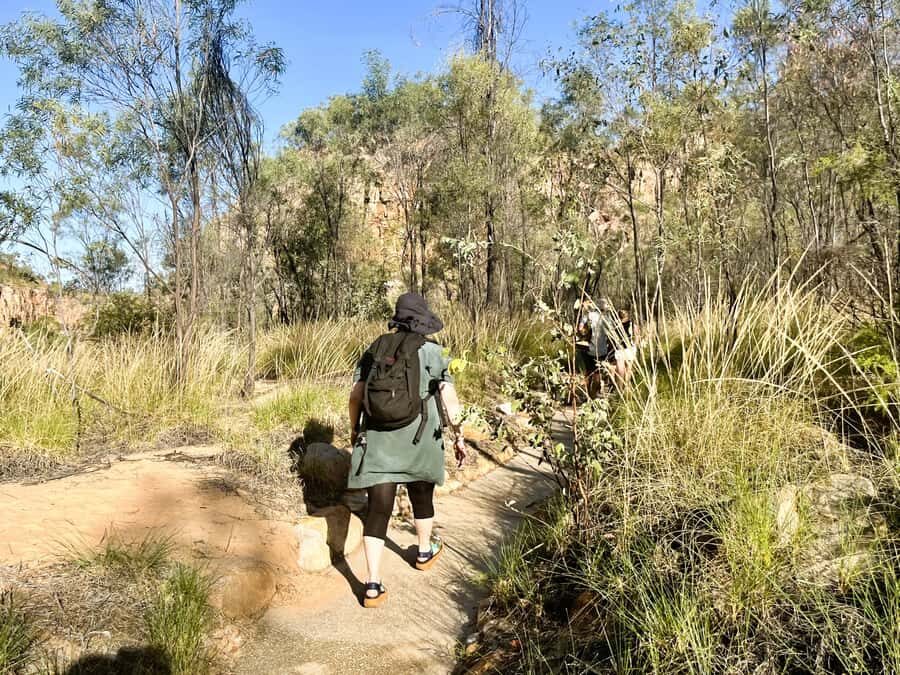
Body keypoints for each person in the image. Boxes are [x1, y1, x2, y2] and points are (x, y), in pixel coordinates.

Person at [347, 292, 466, 608]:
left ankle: (372, 585)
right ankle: (424, 552)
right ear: (423, 321)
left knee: (378, 510)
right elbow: (451, 402)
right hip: (420, 441)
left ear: (398, 320)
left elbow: (356, 396)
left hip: (379, 441)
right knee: (422, 497)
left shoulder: (375, 350)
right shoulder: (434, 352)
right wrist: (460, 437)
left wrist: (355, 429)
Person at [607, 307, 639, 389]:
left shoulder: (615, 326)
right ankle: (627, 387)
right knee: (628, 370)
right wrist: (635, 346)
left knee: (620, 371)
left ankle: (620, 389)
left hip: (619, 349)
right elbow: (637, 336)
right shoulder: (633, 324)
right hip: (630, 349)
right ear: (627, 315)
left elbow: (611, 339)